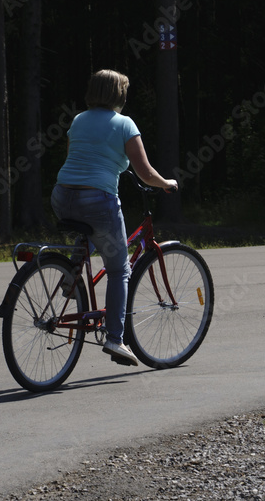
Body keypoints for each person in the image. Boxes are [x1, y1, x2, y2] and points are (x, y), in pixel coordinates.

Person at [51, 69, 178, 366]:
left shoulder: (79, 120)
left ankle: (71, 276)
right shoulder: (124, 124)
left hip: (61, 195)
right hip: (97, 199)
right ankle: (115, 339)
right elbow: (146, 173)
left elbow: (76, 156)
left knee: (92, 233)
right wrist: (167, 183)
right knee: (120, 270)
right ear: (118, 94)